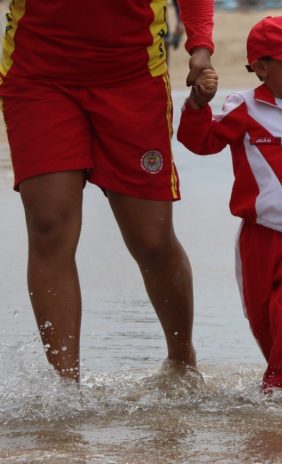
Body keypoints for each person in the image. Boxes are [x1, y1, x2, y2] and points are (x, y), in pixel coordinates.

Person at [0, 1, 215, 381]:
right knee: (48, 225)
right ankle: (65, 389)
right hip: (38, 74)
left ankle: (182, 362)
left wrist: (201, 45)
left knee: (152, 239)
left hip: (133, 76)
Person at [177, 16, 282, 407]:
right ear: (262, 68)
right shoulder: (245, 109)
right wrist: (198, 103)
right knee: (266, 327)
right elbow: (200, 141)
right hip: (256, 238)